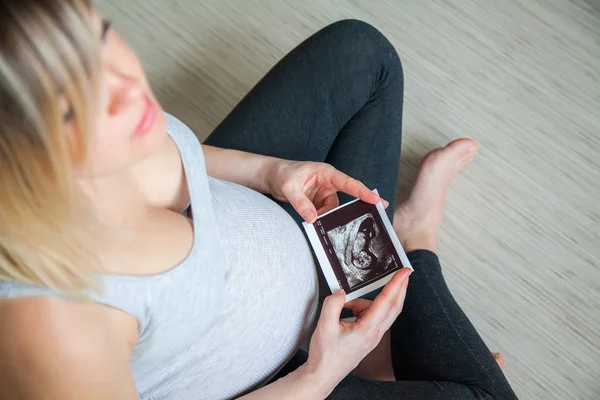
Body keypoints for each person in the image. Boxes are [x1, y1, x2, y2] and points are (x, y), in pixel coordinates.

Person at [0, 1, 517, 399]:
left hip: (268, 219)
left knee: (364, 56)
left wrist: (271, 171)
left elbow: (186, 157)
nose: (124, 88)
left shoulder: (119, 125)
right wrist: (318, 376)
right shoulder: (51, 328)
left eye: (99, 38)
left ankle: (379, 346)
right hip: (284, 376)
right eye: (66, 110)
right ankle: (414, 238)